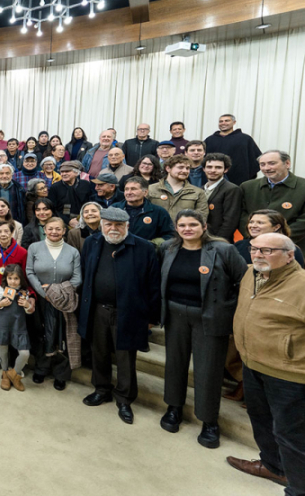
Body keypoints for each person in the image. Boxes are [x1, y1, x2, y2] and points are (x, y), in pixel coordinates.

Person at [158, 210, 247, 447]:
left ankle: (209, 421)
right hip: (175, 314)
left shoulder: (223, 250)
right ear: (176, 228)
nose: (187, 229)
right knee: (175, 364)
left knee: (208, 370)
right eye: (182, 225)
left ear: (204, 226)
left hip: (209, 317)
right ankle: (174, 408)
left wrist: (229, 310)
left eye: (193, 224)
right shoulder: (167, 248)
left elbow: (244, 281)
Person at [226, 233, 305, 493]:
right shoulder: (251, 274)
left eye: (267, 250)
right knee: (260, 418)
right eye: (254, 249)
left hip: (288, 375)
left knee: (290, 435)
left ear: (289, 255)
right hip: (252, 363)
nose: (258, 255)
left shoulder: (301, 285)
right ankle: (272, 466)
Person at [77, 207, 160, 425]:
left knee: (125, 358)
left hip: (129, 312)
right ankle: (101, 389)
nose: (113, 229)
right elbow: (86, 275)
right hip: (97, 309)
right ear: (102, 225)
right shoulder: (92, 243)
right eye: (109, 225)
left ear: (127, 226)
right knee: (99, 352)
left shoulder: (144, 248)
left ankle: (124, 399)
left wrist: (152, 316)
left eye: (119, 225)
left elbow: (153, 284)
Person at [26, 217, 82, 390]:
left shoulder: (73, 252)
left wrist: (57, 293)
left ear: (64, 230)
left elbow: (77, 278)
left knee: (62, 336)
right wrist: (45, 293)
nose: (54, 232)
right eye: (50, 229)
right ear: (45, 229)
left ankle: (61, 374)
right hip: (41, 300)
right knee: (41, 333)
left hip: (64, 301)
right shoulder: (34, 248)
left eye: (58, 229)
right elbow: (29, 271)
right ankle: (41, 368)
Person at [239, 150, 305, 251]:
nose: (267, 168)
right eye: (262, 164)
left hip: (290, 247)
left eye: (272, 163)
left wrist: (278, 238)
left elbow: (303, 221)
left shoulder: (302, 187)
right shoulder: (247, 187)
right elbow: (241, 215)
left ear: (287, 163)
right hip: (252, 247)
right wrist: (255, 235)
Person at [0, 265, 35, 391]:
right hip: (3, 324)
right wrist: (0, 304)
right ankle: (5, 372)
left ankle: (14, 374)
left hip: (19, 326)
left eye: (16, 278)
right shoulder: (1, 289)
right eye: (10, 278)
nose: (13, 281)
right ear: (6, 278)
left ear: (21, 279)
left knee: (25, 353)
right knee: (2, 349)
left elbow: (30, 312)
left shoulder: (24, 292)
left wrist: (27, 305)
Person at [113, 177, 175, 245]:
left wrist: (151, 245)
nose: (129, 192)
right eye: (126, 189)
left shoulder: (158, 212)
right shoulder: (114, 209)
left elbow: (169, 235)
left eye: (133, 189)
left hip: (146, 253)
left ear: (145, 192)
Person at [204, 114, 262, 186]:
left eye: (227, 121)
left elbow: (256, 159)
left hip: (239, 180)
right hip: (213, 180)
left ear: (234, 122)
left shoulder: (245, 139)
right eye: (221, 121)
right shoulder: (210, 140)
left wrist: (248, 176)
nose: (223, 123)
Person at [148, 155, 209, 220]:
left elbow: (201, 217)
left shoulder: (198, 192)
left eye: (187, 168)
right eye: (180, 167)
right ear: (168, 168)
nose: (185, 171)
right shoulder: (150, 189)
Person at [236, 210, 305, 267]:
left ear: (276, 227)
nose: (253, 226)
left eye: (260, 223)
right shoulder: (239, 245)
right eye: (251, 222)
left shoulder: (288, 248)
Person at [202, 153, 243, 242]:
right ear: (203, 169)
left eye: (218, 167)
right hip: (200, 238)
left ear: (226, 170)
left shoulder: (232, 189)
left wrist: (218, 240)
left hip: (219, 240)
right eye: (209, 167)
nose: (213, 170)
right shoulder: (200, 189)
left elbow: (230, 220)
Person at [49, 160, 94, 227]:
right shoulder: (55, 187)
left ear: (76, 173)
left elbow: (91, 204)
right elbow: (52, 209)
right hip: (62, 222)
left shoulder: (86, 184)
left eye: (67, 171)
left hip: (85, 220)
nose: (64, 174)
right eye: (62, 172)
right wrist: (68, 221)